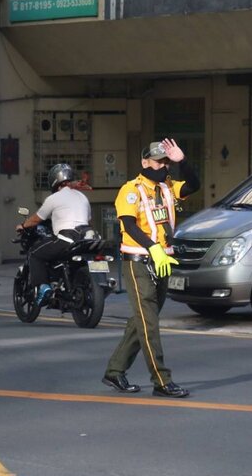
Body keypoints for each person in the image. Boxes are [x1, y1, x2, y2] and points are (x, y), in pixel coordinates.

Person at [102, 137, 200, 398]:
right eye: (159, 162)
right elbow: (129, 224)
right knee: (150, 324)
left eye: (166, 162)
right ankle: (162, 381)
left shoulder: (167, 186)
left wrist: (183, 162)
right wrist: (151, 247)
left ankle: (115, 371)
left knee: (141, 321)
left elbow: (194, 185)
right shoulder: (131, 190)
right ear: (145, 162)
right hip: (139, 264)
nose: (163, 167)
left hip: (164, 262)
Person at [17, 163, 92, 306]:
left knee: (34, 253)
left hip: (67, 239)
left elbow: (37, 219)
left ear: (53, 180)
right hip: (87, 238)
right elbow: (89, 221)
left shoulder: (54, 198)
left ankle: (44, 287)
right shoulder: (83, 197)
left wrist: (22, 225)